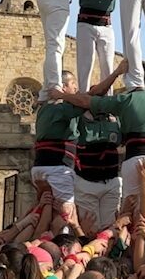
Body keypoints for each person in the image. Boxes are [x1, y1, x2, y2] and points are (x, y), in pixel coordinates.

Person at [48, 64, 145, 214]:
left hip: (121, 172)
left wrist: (61, 95)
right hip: (90, 179)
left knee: (133, 214)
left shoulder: (125, 100)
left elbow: (87, 100)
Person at [74, 59, 129, 232]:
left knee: (110, 229)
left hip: (111, 181)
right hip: (86, 182)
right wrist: (115, 73)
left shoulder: (114, 118)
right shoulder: (81, 115)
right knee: (90, 228)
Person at [31, 70, 85, 237]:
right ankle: (57, 249)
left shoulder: (44, 108)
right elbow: (87, 102)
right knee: (64, 216)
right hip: (58, 169)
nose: (76, 87)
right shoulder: (61, 108)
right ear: (62, 87)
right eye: (73, 84)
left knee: (45, 212)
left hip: (40, 167)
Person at [73, 0, 122, 91]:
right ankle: (83, 94)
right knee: (85, 62)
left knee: (107, 63)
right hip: (86, 23)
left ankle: (108, 97)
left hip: (105, 25)